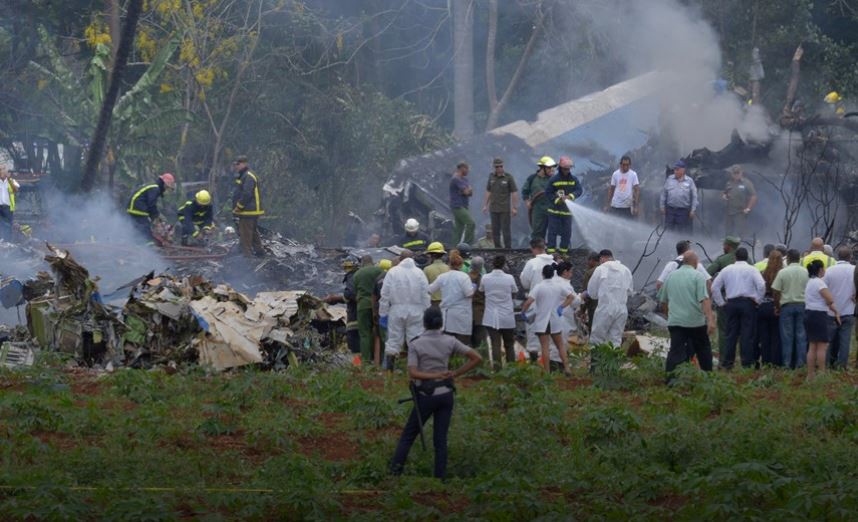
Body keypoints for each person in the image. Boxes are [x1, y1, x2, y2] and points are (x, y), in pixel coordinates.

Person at [389, 306, 482, 479]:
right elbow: (477, 358)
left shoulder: (416, 343)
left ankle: (394, 473)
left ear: (424, 323)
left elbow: (413, 373)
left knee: (408, 436)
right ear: (441, 323)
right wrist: (455, 373)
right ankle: (440, 479)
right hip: (446, 394)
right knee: (440, 440)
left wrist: (433, 375)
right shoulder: (450, 341)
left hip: (426, 395)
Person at [658, 251, 715, 375]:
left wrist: (669, 316)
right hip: (695, 322)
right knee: (703, 350)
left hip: (676, 322)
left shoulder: (670, 276)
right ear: (695, 262)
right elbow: (704, 299)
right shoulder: (698, 276)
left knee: (675, 351)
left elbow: (663, 301)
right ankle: (708, 377)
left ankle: (671, 380)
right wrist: (710, 320)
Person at [711, 247, 765, 369]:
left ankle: (727, 363)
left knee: (730, 335)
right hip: (748, 304)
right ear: (747, 257)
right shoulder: (752, 269)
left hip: (732, 303)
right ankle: (747, 363)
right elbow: (761, 285)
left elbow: (714, 287)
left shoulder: (727, 269)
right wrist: (758, 300)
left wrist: (721, 303)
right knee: (747, 334)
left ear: (735, 257)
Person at [521, 262, 576, 374]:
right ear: (553, 274)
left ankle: (547, 371)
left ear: (543, 274)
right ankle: (567, 368)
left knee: (545, 347)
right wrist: (561, 307)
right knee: (560, 345)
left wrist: (523, 312)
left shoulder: (539, 286)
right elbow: (571, 297)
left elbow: (529, 302)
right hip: (555, 319)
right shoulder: (558, 286)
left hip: (542, 321)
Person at [379, 250, 431, 369]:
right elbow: (425, 294)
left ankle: (389, 371)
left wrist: (383, 313)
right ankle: (416, 370)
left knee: (393, 340)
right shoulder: (419, 273)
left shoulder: (392, 272)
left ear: (400, 259)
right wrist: (426, 310)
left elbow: (385, 294)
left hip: (396, 310)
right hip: (416, 311)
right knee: (415, 340)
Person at [586, 249, 633, 348]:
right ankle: (612, 362)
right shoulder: (626, 270)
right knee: (615, 339)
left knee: (597, 339)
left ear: (601, 259)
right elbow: (630, 291)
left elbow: (592, 293)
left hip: (605, 308)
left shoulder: (600, 269)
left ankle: (596, 363)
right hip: (621, 309)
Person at [519, 239, 556, 361]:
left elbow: (525, 282)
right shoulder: (554, 263)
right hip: (553, 303)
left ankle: (534, 360)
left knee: (533, 332)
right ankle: (550, 362)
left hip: (535, 302)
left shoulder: (532, 263)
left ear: (533, 248)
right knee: (551, 333)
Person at [772, 249, 809, 369]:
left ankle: (787, 364)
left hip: (786, 306)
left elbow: (776, 291)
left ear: (787, 258)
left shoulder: (783, 272)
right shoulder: (806, 271)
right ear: (799, 258)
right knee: (801, 336)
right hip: (802, 306)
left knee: (787, 336)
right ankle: (800, 363)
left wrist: (777, 306)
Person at [428, 252, 474, 345]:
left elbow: (430, 290)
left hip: (447, 314)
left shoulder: (442, 277)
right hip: (462, 314)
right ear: (461, 265)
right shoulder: (464, 277)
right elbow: (469, 294)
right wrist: (474, 288)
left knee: (447, 342)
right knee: (461, 343)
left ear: (449, 264)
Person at [480, 255, 518, 368]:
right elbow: (514, 292)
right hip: (507, 315)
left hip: (491, 316)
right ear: (504, 265)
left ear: (492, 264)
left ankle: (497, 370)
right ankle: (512, 369)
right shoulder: (509, 278)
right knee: (509, 344)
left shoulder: (485, 278)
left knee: (495, 344)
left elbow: (481, 291)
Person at [805, 260, 840, 380]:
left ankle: (810, 374)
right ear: (820, 270)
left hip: (809, 314)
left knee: (812, 345)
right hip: (819, 315)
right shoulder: (820, 283)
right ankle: (821, 373)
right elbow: (830, 299)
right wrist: (834, 308)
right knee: (822, 346)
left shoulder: (810, 282)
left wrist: (835, 311)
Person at [822, 246, 855, 369]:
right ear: (850, 257)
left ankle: (826, 364)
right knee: (845, 341)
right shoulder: (854, 270)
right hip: (848, 310)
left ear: (837, 256)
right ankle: (842, 366)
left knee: (828, 341)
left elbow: (822, 288)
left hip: (831, 311)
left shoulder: (829, 270)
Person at [707, 236, 740, 358]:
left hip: (726, 300)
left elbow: (707, 273)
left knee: (724, 330)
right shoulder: (748, 259)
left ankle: (724, 357)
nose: (723, 247)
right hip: (745, 301)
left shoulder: (721, 260)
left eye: (724, 245)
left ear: (728, 246)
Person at [545, 156, 583, 254]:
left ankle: (563, 253)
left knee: (566, 233)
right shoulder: (553, 179)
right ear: (560, 168)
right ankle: (551, 253)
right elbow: (548, 193)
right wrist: (557, 199)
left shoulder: (574, 179)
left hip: (567, 212)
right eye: (565, 169)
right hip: (554, 212)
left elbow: (579, 190)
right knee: (552, 233)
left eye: (569, 169)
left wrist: (570, 196)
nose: (567, 171)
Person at [325, 257, 361, 356]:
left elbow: (350, 294)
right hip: (364, 317)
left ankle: (357, 368)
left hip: (355, 317)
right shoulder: (362, 276)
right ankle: (367, 366)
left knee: (355, 346)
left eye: (348, 267)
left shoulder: (352, 276)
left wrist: (335, 299)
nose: (347, 270)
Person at [231, 155, 265, 257]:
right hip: (250, 211)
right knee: (253, 232)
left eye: (238, 164)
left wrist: (238, 207)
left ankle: (248, 258)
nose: (236, 166)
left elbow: (247, 194)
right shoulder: (244, 175)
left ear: (244, 163)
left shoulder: (248, 176)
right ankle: (259, 253)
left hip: (248, 211)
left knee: (245, 235)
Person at [127, 172, 176, 243]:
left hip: (133, 206)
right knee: (144, 226)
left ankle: (135, 242)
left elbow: (151, 205)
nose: (166, 190)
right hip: (138, 207)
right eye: (167, 188)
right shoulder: (155, 188)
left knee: (136, 227)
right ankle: (148, 245)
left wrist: (157, 216)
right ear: (164, 184)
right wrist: (155, 218)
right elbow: (151, 205)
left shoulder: (153, 186)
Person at [482, 158, 519, 249]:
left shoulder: (508, 177)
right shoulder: (491, 177)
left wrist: (514, 207)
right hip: (493, 208)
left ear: (503, 166)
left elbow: (514, 192)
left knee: (506, 230)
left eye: (500, 166)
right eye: (497, 166)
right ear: (494, 167)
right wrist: (485, 205)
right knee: (495, 230)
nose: (499, 168)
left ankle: (508, 248)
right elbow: (488, 191)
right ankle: (497, 248)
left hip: (504, 208)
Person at [353, 255, 384, 363]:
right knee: (381, 334)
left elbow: (355, 293)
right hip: (378, 306)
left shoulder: (357, 274)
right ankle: (381, 360)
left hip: (363, 305)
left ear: (362, 262)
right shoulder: (379, 271)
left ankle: (366, 361)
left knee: (365, 334)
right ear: (372, 261)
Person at [758, 249, 784, 366]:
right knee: (776, 336)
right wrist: (778, 307)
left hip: (763, 306)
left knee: (764, 336)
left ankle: (765, 360)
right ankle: (775, 361)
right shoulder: (782, 274)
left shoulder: (763, 273)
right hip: (775, 306)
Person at [522, 156, 556, 241]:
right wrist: (527, 202)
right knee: (537, 231)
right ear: (542, 168)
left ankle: (550, 250)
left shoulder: (554, 179)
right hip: (537, 209)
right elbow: (525, 191)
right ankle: (538, 250)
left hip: (551, 208)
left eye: (552, 167)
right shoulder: (532, 178)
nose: (551, 170)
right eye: (549, 168)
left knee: (553, 231)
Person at [660, 160, 698, 233]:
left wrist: (693, 210)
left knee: (682, 232)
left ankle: (679, 244)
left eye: (677, 169)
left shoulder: (689, 181)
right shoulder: (669, 179)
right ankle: (668, 243)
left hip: (683, 211)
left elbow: (694, 196)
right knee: (668, 231)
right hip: (670, 210)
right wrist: (662, 206)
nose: (675, 171)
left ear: (683, 170)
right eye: (674, 169)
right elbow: (663, 193)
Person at [722, 165, 757, 238]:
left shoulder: (746, 183)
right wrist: (725, 196)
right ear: (732, 174)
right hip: (729, 211)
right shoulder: (729, 183)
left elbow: (753, 196)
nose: (736, 175)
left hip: (740, 211)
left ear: (741, 173)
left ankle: (743, 247)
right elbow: (725, 192)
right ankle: (729, 248)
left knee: (741, 232)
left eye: (738, 173)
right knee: (728, 232)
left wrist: (748, 208)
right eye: (734, 173)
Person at [372, 258, 394, 366]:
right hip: (393, 311)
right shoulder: (393, 277)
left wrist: (374, 312)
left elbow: (374, 296)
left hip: (381, 311)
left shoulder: (378, 279)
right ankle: (388, 364)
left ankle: (382, 364)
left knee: (382, 338)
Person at [450, 162, 475, 245]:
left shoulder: (464, 179)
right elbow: (467, 191)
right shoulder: (456, 179)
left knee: (459, 228)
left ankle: (454, 247)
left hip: (464, 206)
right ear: (462, 168)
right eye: (467, 169)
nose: (468, 171)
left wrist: (467, 191)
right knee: (471, 223)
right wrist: (467, 191)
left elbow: (470, 193)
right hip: (457, 206)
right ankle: (467, 244)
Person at [468, 256, 487, 349]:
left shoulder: (465, 278)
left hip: (467, 312)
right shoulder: (484, 279)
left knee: (467, 341)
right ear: (481, 267)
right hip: (480, 313)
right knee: (480, 343)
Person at [423, 242, 449, 306]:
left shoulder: (427, 269)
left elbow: (424, 288)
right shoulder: (448, 268)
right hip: (447, 302)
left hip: (432, 303)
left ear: (432, 256)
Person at [580, 251, 601, 332]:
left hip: (593, 305)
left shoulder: (590, 273)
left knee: (593, 327)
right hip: (605, 305)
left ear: (592, 261)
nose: (587, 262)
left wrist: (582, 310)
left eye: (588, 260)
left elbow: (586, 292)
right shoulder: (605, 270)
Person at [0, 166, 20, 242]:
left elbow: (16, 189)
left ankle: (7, 242)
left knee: (8, 226)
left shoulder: (12, 181)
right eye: (1, 170)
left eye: (3, 170)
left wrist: (9, 179)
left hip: (8, 208)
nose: (2, 172)